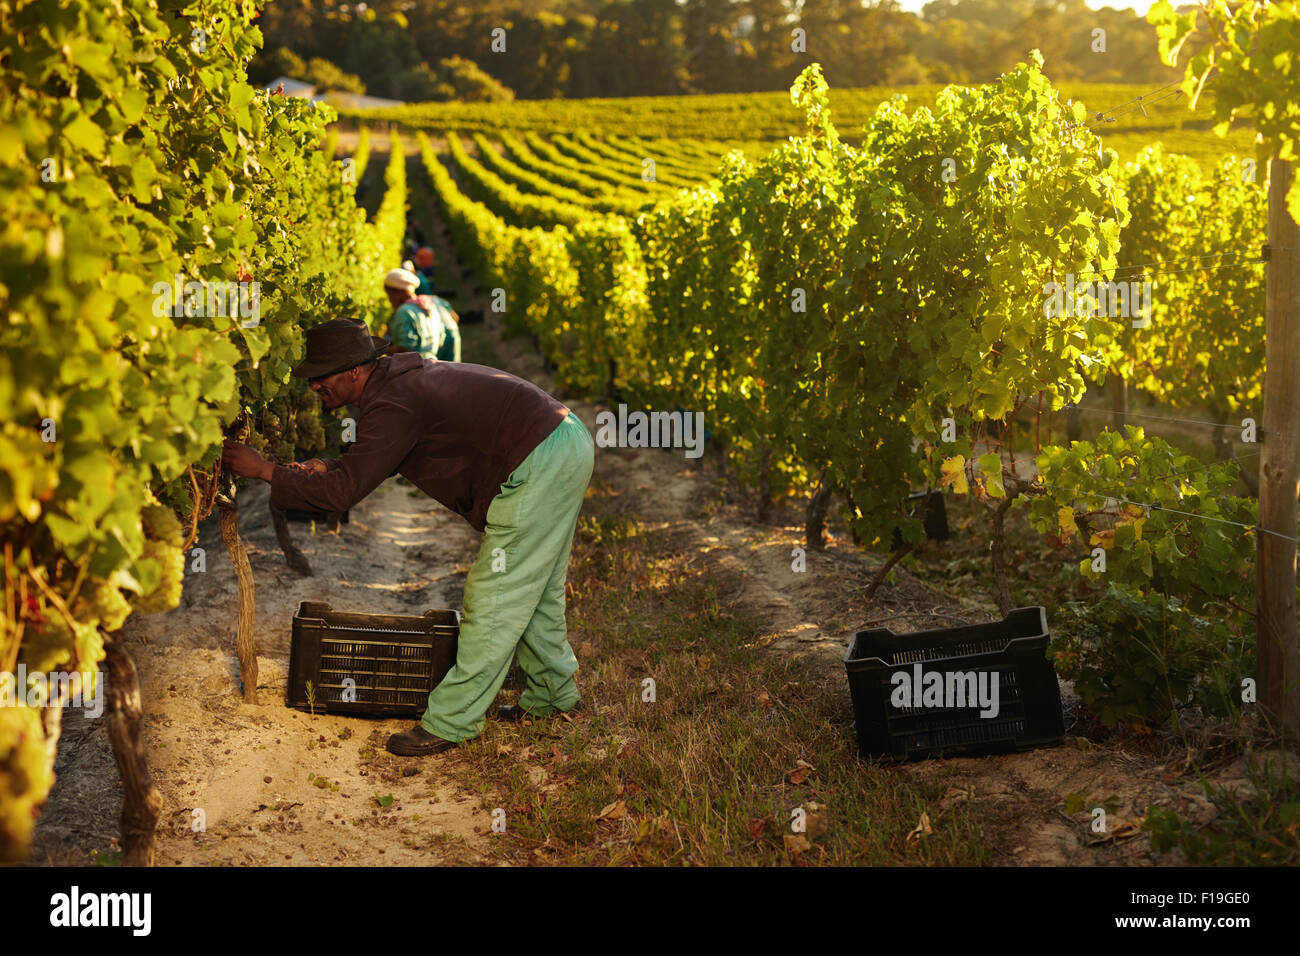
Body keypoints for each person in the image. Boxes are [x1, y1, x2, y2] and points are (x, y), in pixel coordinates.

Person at [221, 318, 595, 756]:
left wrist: (264, 469)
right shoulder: (395, 387)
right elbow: (364, 464)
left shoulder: (394, 400)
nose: (313, 387)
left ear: (353, 372)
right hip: (561, 441)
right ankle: (553, 696)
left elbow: (344, 493)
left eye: (320, 377)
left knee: (496, 596)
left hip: (541, 456)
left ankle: (453, 722)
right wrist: (326, 466)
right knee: (538, 590)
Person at [384, 267, 461, 364]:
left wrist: (383, 351)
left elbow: (406, 348)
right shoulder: (426, 304)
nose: (389, 300)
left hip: (416, 368)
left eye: (389, 296)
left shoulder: (403, 312)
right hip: (433, 362)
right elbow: (449, 326)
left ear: (395, 293)